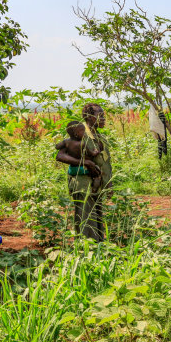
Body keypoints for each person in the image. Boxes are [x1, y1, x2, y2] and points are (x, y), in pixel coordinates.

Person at [56, 103, 112, 242]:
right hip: (83, 183)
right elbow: (60, 156)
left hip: (95, 183)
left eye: (104, 116)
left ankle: (98, 247)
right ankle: (86, 250)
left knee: (96, 217)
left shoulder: (97, 135)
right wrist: (86, 163)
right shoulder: (79, 133)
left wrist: (108, 183)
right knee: (86, 217)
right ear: (89, 117)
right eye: (100, 116)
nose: (103, 119)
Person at [55, 120, 102, 190]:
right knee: (95, 170)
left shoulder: (66, 142)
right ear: (76, 133)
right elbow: (90, 153)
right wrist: (95, 152)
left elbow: (57, 146)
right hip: (84, 169)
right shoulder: (82, 143)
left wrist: (61, 145)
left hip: (72, 170)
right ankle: (96, 181)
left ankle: (71, 188)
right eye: (82, 131)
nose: (84, 133)